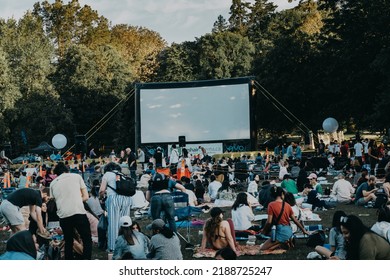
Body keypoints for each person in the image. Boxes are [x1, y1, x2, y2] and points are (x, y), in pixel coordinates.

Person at [50, 162, 92, 260]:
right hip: (78, 212)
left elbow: (54, 200)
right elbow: (86, 197)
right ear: (67, 170)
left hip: (64, 215)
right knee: (86, 239)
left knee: (68, 240)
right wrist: (76, 199)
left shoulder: (53, 183)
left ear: (56, 174)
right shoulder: (76, 177)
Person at [260, 186, 308, 251]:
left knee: (263, 249)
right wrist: (303, 230)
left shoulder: (271, 205)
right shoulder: (287, 205)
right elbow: (295, 220)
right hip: (289, 231)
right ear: (282, 194)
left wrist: (263, 231)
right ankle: (284, 242)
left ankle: (282, 242)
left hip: (281, 231)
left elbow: (269, 222)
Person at [99, 162, 133, 253]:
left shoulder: (107, 174)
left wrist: (101, 197)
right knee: (125, 223)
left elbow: (102, 190)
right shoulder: (123, 175)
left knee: (113, 224)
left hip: (114, 199)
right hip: (126, 199)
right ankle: (126, 244)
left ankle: (113, 247)